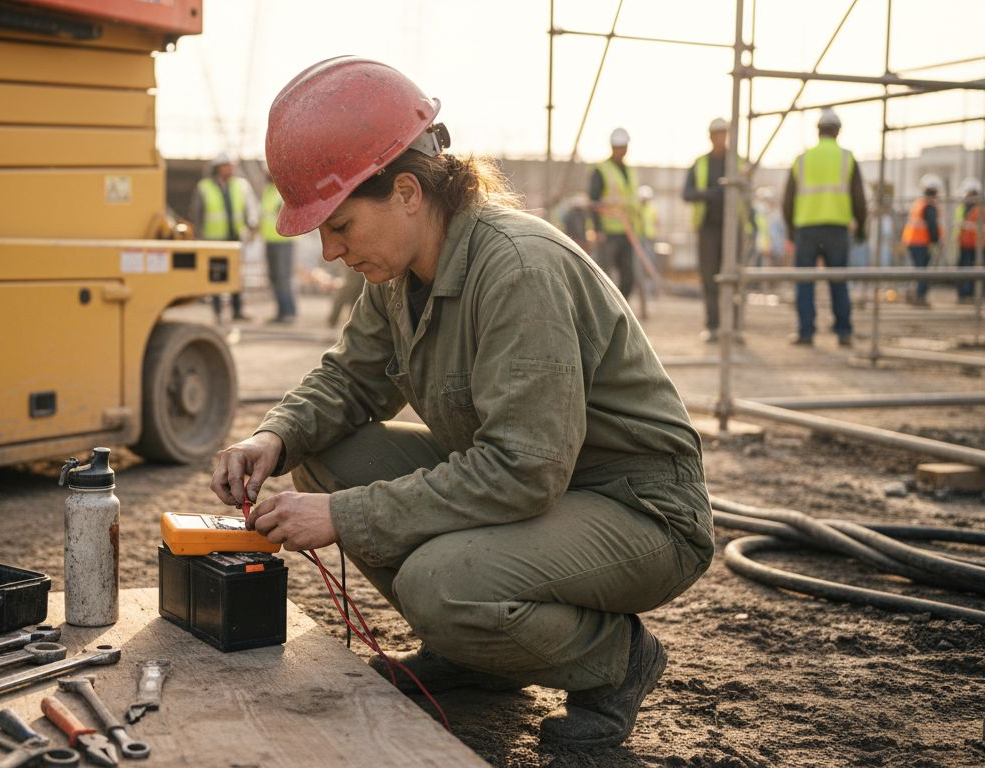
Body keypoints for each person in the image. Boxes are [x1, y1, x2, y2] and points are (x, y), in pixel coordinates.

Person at [210, 57, 713, 750]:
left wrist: (344, 516)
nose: (328, 252)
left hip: (638, 509)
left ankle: (616, 662)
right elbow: (352, 379)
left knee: (442, 585)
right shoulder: (398, 271)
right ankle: (477, 658)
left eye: (340, 225)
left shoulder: (517, 269)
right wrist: (273, 437)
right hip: (545, 488)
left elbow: (524, 470)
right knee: (322, 454)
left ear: (408, 192)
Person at [781, 108, 867, 346]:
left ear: (818, 132)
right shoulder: (846, 158)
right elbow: (859, 198)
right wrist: (860, 227)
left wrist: (790, 231)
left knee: (805, 283)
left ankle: (806, 332)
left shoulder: (803, 159)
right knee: (838, 281)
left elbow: (787, 200)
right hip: (837, 229)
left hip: (806, 229)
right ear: (838, 132)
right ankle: (843, 331)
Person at [683, 117, 737, 343]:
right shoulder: (700, 163)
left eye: (723, 133)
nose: (720, 138)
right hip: (708, 228)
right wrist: (709, 194)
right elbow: (687, 193)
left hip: (733, 228)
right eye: (717, 134)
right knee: (709, 277)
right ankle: (713, 325)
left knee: (733, 277)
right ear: (710, 136)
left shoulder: (738, 162)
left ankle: (732, 326)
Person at [189, 153, 255, 322]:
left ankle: (237, 311)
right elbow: (196, 214)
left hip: (235, 238)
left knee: (236, 276)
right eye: (225, 166)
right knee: (217, 276)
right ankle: (218, 312)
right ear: (218, 168)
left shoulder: (240, 186)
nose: (229, 169)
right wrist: (200, 236)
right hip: (214, 240)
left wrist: (249, 229)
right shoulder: (204, 187)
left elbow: (248, 211)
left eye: (230, 165)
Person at [589, 127, 642, 301]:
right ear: (612, 147)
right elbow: (593, 201)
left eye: (623, 146)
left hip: (627, 231)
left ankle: (620, 308)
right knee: (604, 275)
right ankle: (603, 310)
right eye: (618, 146)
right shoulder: (601, 170)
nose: (621, 150)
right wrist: (598, 229)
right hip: (608, 232)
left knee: (628, 277)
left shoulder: (630, 171)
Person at [260, 168, 298, 323]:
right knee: (274, 277)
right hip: (270, 240)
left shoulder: (283, 192)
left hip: (283, 241)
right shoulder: (268, 191)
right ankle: (282, 311)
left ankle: (287, 312)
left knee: (283, 276)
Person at [900, 174, 942, 308]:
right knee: (923, 271)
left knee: (917, 269)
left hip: (912, 241)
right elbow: (931, 225)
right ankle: (920, 297)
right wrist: (935, 241)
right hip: (922, 242)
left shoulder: (919, 203)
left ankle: (913, 294)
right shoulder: (929, 205)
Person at [954, 177, 985, 303]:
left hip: (977, 244)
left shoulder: (982, 206)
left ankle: (969, 295)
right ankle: (965, 295)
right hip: (967, 243)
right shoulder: (967, 205)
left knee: (972, 270)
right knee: (966, 270)